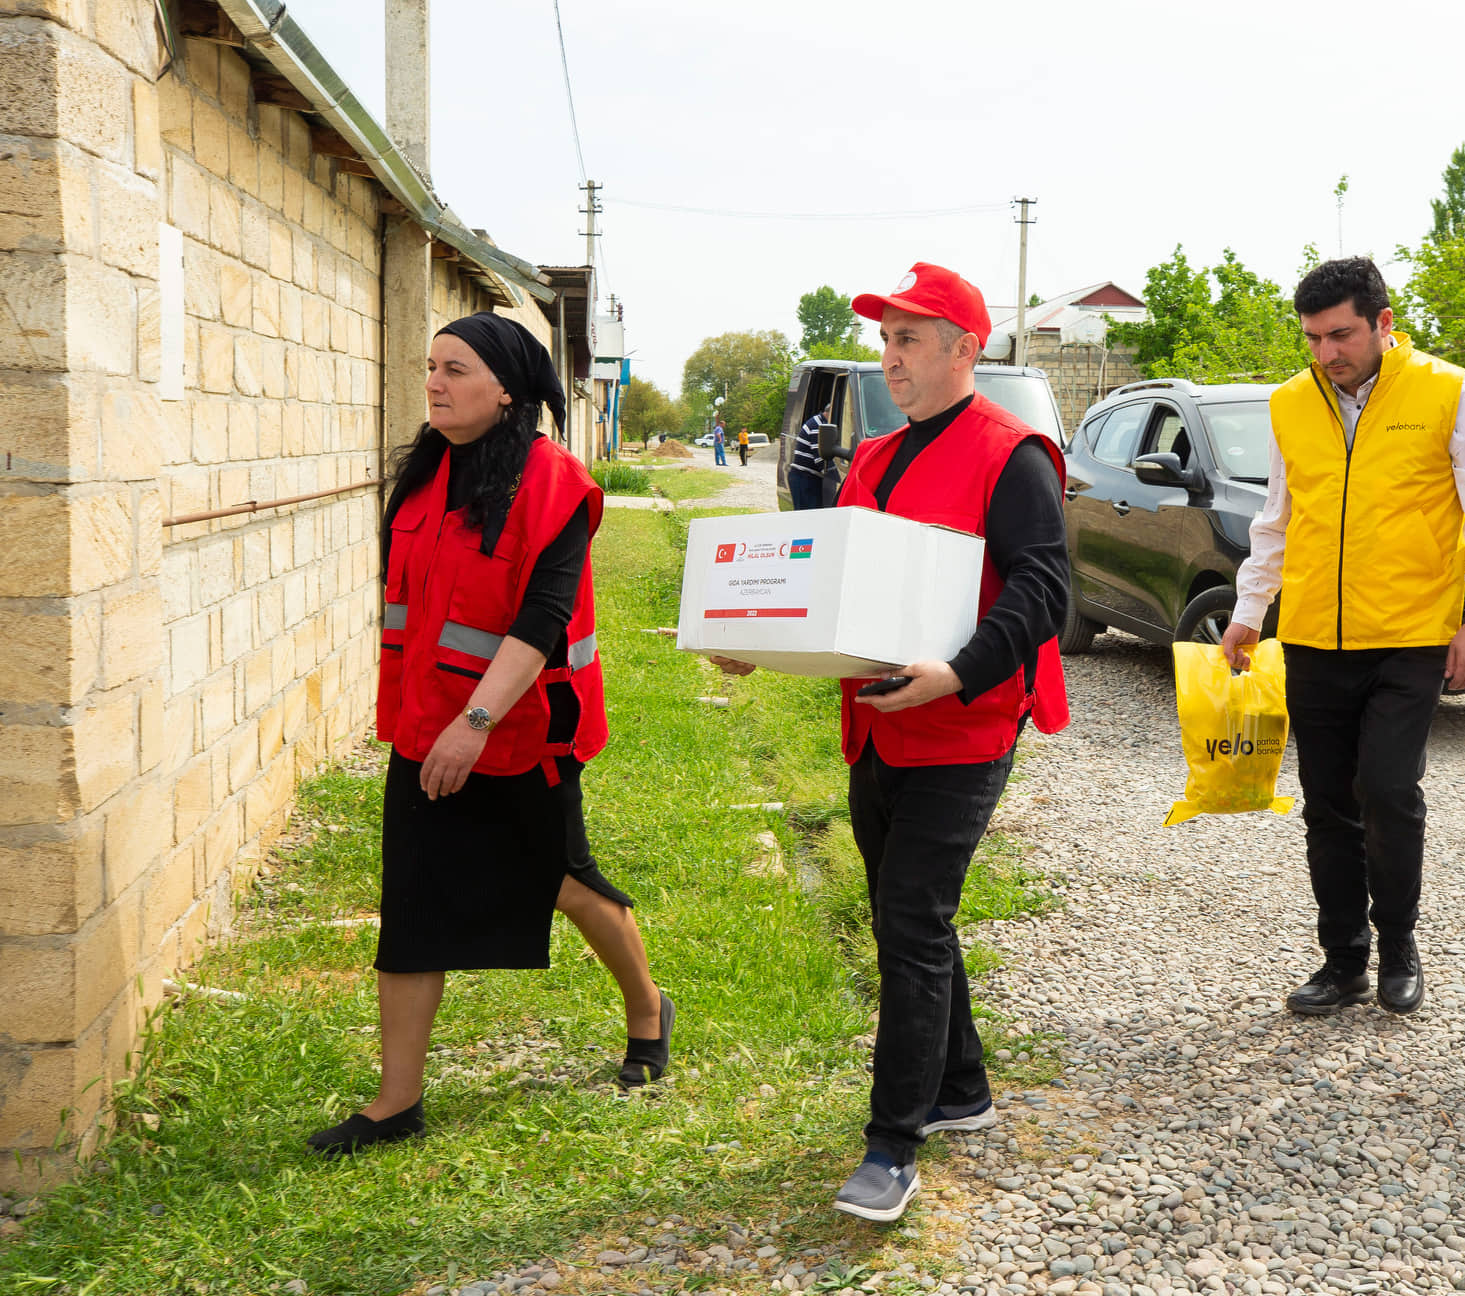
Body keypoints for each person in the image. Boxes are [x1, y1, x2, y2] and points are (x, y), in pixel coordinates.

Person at [714, 263, 1069, 1223]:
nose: (890, 357)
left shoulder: (1015, 452)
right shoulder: (872, 457)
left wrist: (957, 672)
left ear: (968, 349)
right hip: (876, 722)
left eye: (909, 338)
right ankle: (962, 1091)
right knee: (903, 908)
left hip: (967, 720)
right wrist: (757, 641)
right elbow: (839, 586)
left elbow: (1045, 594)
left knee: (910, 918)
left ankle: (891, 1145)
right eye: (886, 339)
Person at [306, 313, 674, 1157]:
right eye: (430, 366)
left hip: (520, 733)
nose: (433, 382)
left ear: (505, 389)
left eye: (455, 369)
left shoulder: (555, 483)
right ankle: (397, 1102)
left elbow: (543, 618)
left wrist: (475, 721)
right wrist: (431, 724)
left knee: (564, 881)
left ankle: (649, 1008)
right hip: (421, 730)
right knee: (413, 903)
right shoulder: (428, 475)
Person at [1220, 257, 1465, 1020]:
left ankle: (1399, 944)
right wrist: (1249, 609)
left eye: (1342, 334)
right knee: (1327, 804)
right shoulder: (1290, 403)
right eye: (1314, 338)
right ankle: (1343, 958)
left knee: (1387, 790)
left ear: (1385, 323)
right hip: (1317, 636)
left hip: (1411, 635)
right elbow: (1278, 517)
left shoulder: (1451, 391)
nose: (1327, 353)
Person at [790, 405, 830, 511]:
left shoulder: (818, 421)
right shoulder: (819, 426)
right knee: (808, 518)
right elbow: (820, 458)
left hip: (807, 477)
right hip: (804, 478)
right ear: (830, 412)